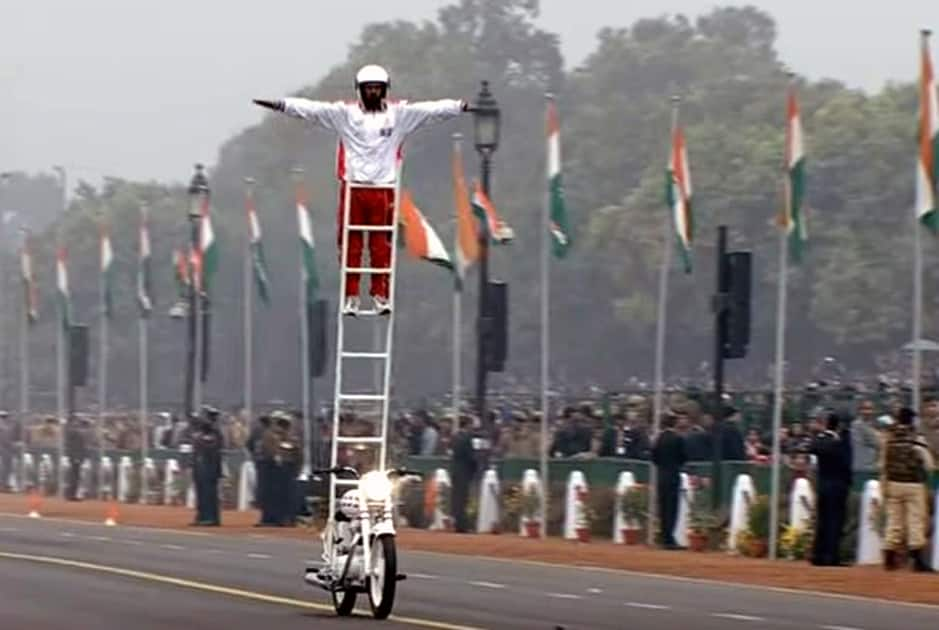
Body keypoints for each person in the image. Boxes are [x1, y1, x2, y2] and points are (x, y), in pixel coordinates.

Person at [254, 64, 469, 317]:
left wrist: (458, 106)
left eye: (378, 88)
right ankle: (352, 297)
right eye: (369, 89)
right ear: (360, 90)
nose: (374, 93)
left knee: (381, 244)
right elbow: (311, 109)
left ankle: (380, 295)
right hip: (353, 188)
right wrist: (281, 105)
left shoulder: (399, 115)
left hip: (384, 189)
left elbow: (431, 110)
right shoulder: (345, 114)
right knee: (350, 244)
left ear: (385, 90)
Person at [880, 407, 934, 572]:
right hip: (913, 484)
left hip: (893, 483)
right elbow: (929, 464)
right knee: (915, 521)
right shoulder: (916, 438)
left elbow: (882, 463)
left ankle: (889, 557)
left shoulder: (889, 438)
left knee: (894, 521)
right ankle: (917, 559)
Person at [809, 411, 852, 566]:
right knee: (835, 521)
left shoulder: (819, 441)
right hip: (837, 484)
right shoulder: (839, 441)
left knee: (822, 520)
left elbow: (813, 448)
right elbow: (845, 463)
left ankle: (818, 554)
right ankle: (831, 555)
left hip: (822, 484)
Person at [651, 412, 687, 550]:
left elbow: (654, 457)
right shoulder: (678, 439)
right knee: (672, 508)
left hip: (661, 475)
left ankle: (664, 536)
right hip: (673, 475)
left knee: (663, 507)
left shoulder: (658, 438)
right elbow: (683, 457)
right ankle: (669, 538)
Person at [191, 406, 224, 526]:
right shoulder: (202, 433)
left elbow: (211, 450)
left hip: (209, 468)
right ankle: (202, 515)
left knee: (209, 494)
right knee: (201, 493)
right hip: (200, 468)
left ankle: (210, 517)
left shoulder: (214, 433)